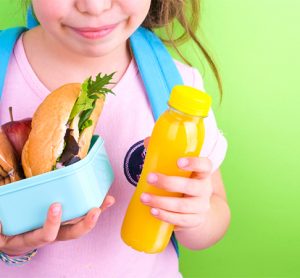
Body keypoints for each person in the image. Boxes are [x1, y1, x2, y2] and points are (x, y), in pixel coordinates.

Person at [0, 0, 230, 277]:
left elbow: (214, 218)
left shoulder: (177, 90)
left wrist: (196, 216)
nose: (94, 7)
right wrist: (8, 244)